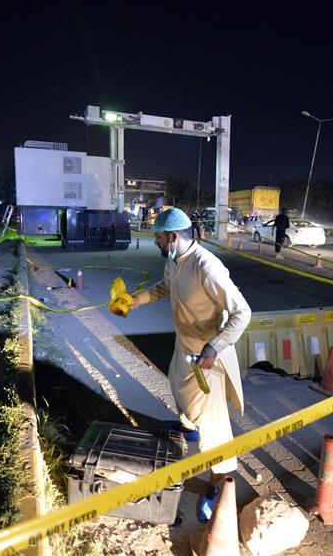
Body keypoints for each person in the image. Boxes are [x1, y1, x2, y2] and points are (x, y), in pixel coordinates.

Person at [128, 207, 251, 522]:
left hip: (209, 358)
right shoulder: (174, 260)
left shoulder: (207, 268)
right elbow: (165, 288)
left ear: (172, 237)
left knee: (216, 427)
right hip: (185, 346)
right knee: (180, 392)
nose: (155, 242)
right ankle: (189, 428)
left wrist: (214, 346)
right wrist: (135, 300)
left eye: (157, 237)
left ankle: (217, 484)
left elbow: (242, 313)